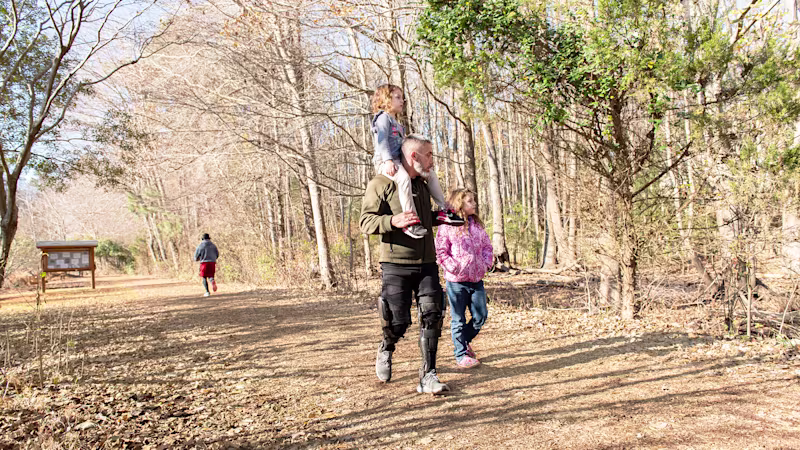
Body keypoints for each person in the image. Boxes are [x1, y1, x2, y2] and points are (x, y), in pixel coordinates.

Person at [360, 134, 455, 395]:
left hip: (426, 263)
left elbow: (423, 219)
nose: (433, 160)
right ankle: (386, 347)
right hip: (396, 264)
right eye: (429, 154)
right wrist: (393, 221)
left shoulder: (422, 185)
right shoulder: (382, 182)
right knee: (397, 322)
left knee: (433, 315)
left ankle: (428, 376)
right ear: (414, 156)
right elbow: (365, 222)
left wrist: (443, 218)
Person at [370, 84, 464, 240]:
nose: (402, 101)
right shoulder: (383, 118)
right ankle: (410, 221)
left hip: (399, 160)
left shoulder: (397, 123)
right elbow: (382, 142)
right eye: (397, 97)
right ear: (386, 99)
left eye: (402, 97)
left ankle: (444, 210)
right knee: (404, 179)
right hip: (386, 161)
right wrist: (387, 161)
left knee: (430, 174)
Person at [435, 188, 493, 368]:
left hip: (476, 280)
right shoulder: (447, 226)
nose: (474, 204)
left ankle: (463, 342)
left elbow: (487, 247)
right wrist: (455, 267)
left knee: (480, 316)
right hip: (456, 282)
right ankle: (460, 354)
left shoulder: (477, 226)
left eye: (474, 201)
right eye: (470, 201)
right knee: (458, 319)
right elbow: (441, 251)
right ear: (459, 204)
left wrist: (485, 264)